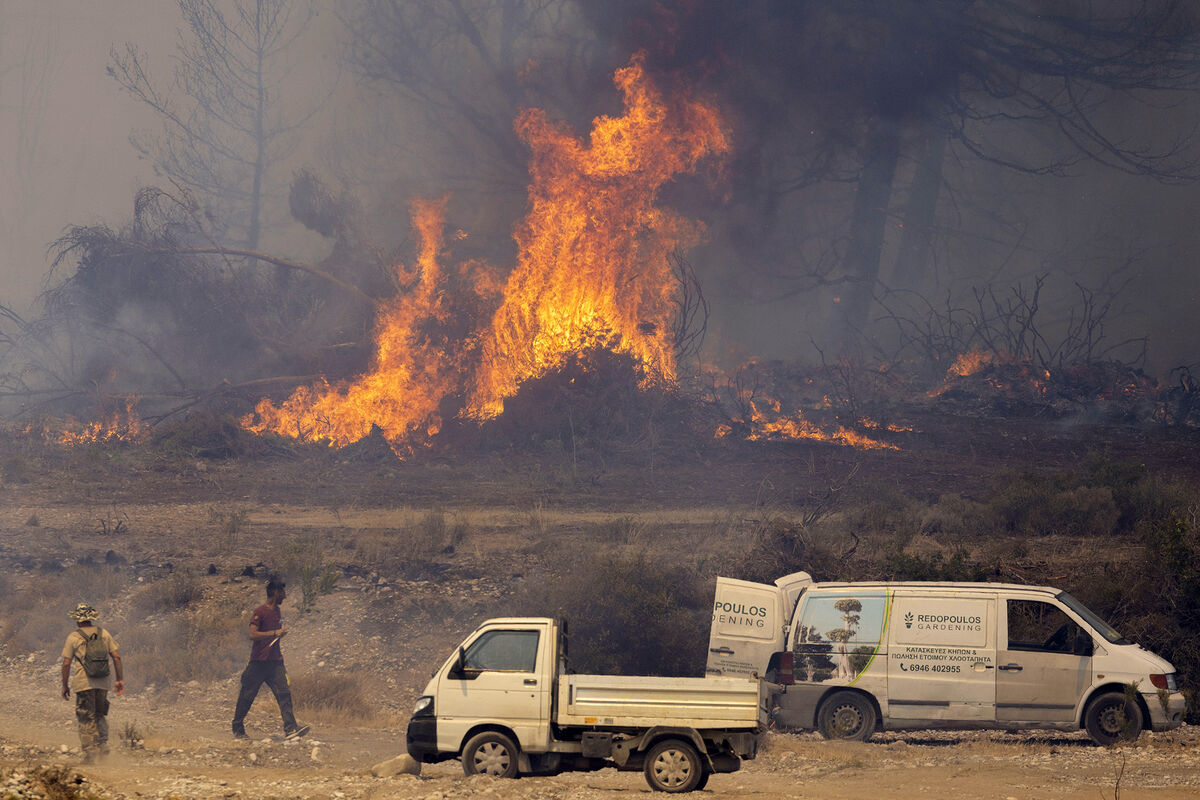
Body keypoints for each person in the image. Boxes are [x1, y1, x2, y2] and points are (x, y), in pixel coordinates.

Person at [231, 576, 309, 740]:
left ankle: (290, 729)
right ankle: (237, 728)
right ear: (275, 592)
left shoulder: (277, 611)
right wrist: (274, 633)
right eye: (283, 593)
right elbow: (252, 635)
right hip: (258, 663)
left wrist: (279, 634)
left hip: (275, 663)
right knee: (247, 696)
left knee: (284, 693)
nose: (285, 596)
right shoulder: (259, 612)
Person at [61, 603, 124, 762]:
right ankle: (103, 746)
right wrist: (119, 679)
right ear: (91, 618)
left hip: (84, 683)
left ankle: (90, 754)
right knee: (99, 714)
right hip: (103, 682)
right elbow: (116, 657)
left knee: (85, 717)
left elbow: (66, 663)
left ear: (77, 619)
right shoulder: (104, 634)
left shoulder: (74, 637)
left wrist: (65, 685)